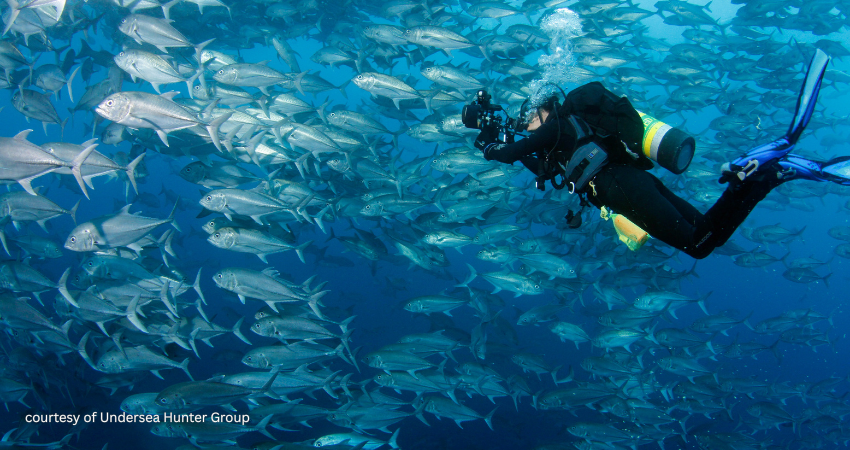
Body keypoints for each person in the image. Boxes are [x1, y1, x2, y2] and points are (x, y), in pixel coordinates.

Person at [474, 49, 848, 259]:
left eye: (528, 117)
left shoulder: (557, 124)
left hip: (620, 187)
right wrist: (504, 143)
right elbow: (535, 162)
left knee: (699, 245)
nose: (525, 125)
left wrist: (491, 145)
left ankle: (755, 176)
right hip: (632, 181)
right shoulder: (561, 140)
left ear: (544, 109)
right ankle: (766, 175)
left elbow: (512, 154)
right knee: (708, 236)